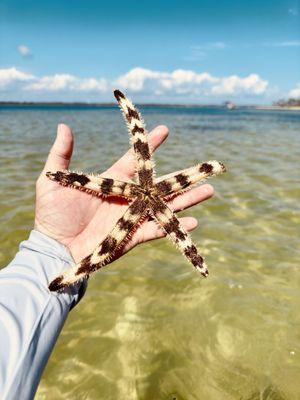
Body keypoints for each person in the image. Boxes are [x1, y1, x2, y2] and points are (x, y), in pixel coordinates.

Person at [0, 123, 214, 399]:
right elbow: (97, 181)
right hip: (77, 250)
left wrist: (51, 253)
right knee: (120, 239)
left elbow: (112, 169)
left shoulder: (141, 194)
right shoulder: (143, 191)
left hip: (75, 248)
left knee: (129, 236)